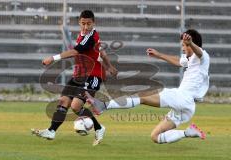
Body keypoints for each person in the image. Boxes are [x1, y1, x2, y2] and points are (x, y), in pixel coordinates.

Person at [85, 29, 209, 144]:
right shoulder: (189, 59)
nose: (182, 48)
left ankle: (104, 105)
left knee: (142, 96)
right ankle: (188, 132)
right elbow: (178, 61)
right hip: (187, 107)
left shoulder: (203, 57)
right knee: (155, 136)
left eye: (184, 45)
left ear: (192, 44)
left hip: (182, 97)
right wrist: (158, 55)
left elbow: (199, 52)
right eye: (182, 45)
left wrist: (191, 43)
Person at [32, 10, 117, 146]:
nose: (85, 26)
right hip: (79, 75)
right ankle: (51, 131)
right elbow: (101, 51)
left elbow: (75, 52)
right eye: (83, 23)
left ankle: (99, 128)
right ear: (79, 22)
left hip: (92, 75)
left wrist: (52, 58)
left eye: (88, 24)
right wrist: (110, 66)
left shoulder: (91, 37)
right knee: (63, 101)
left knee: (76, 106)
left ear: (93, 23)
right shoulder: (82, 34)